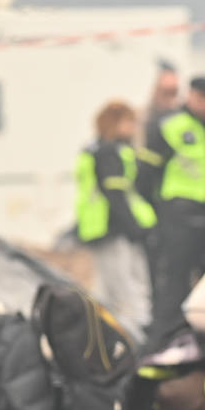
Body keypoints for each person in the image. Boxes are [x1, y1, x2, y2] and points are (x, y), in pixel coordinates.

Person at [141, 75, 205, 344]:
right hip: (179, 216)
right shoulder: (170, 125)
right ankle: (163, 341)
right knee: (174, 283)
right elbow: (147, 174)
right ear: (190, 95)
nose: (204, 103)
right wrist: (159, 213)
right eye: (199, 96)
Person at [74, 101, 156, 340]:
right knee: (124, 287)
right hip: (111, 227)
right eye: (128, 122)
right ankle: (135, 336)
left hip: (105, 227)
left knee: (115, 286)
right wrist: (134, 227)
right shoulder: (108, 152)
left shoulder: (100, 150)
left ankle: (116, 333)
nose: (133, 128)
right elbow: (116, 195)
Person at [144, 61, 180, 148]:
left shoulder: (180, 114)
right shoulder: (145, 115)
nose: (169, 98)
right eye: (165, 93)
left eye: (172, 93)